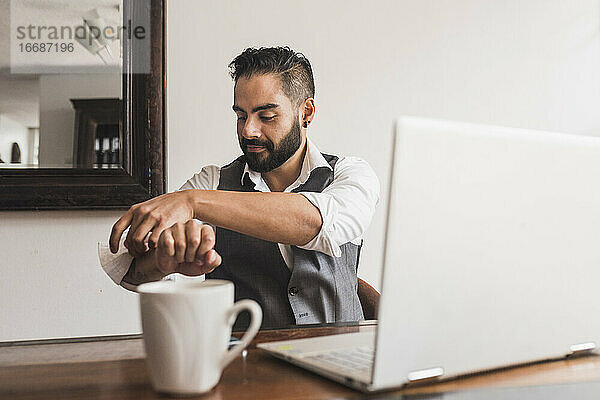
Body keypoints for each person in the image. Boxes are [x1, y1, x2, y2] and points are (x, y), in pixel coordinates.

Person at [106, 46, 380, 329]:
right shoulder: (211, 183)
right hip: (246, 366)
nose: (248, 130)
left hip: (340, 363)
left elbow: (319, 223)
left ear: (306, 112)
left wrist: (194, 203)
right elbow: (129, 273)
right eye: (241, 115)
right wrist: (162, 265)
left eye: (266, 116)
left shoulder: (349, 174)